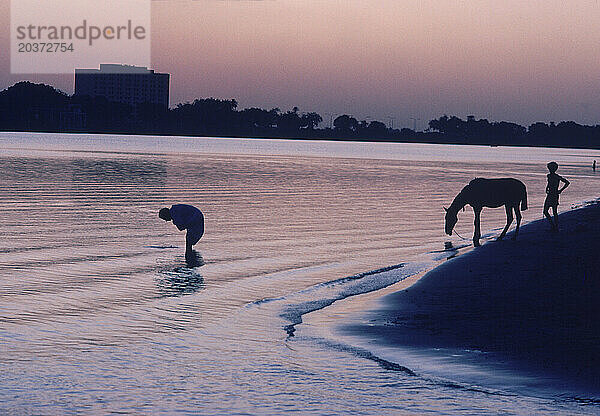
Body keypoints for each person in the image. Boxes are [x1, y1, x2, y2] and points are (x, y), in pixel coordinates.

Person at [543, 162, 569, 231]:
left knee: (553, 211)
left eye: (550, 168)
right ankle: (553, 226)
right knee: (546, 211)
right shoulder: (549, 176)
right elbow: (549, 183)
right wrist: (547, 188)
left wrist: (560, 190)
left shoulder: (557, 176)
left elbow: (567, 182)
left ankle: (555, 227)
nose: (549, 169)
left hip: (554, 194)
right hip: (551, 194)